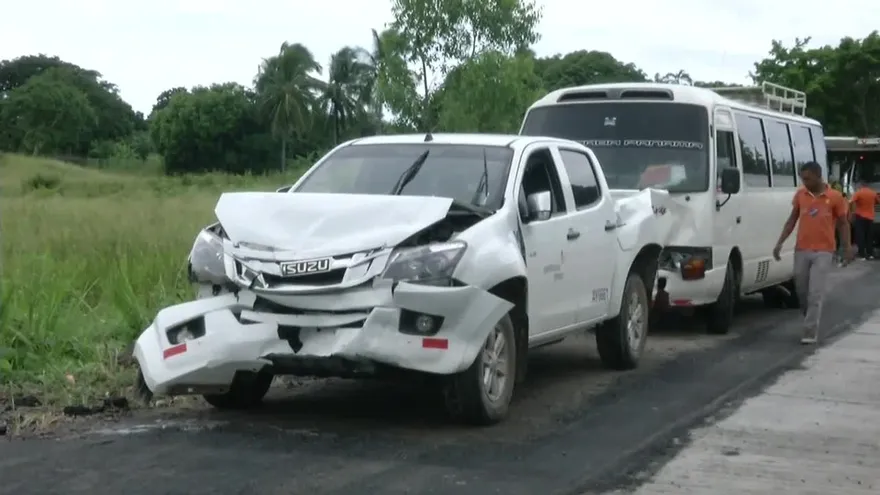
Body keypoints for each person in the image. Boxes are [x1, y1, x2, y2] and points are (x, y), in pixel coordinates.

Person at [773, 161, 853, 345]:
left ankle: (810, 331)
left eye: (808, 178)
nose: (805, 182)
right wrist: (779, 243)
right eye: (803, 179)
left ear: (818, 176)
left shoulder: (834, 197)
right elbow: (792, 219)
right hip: (802, 250)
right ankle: (808, 316)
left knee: (815, 293)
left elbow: (843, 223)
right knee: (801, 291)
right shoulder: (801, 195)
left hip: (824, 252)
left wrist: (847, 247)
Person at [849, 180, 880, 259]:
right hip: (870, 217)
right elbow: (878, 202)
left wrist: (851, 212)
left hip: (860, 216)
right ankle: (870, 253)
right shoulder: (873, 193)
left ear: (861, 185)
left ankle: (862, 253)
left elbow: (851, 201)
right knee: (869, 235)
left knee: (860, 235)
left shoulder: (859, 193)